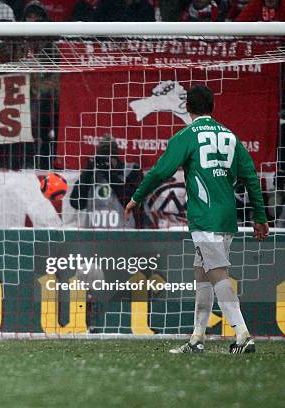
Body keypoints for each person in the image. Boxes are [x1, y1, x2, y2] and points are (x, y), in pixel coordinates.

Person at [124, 85, 269, 354]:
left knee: (216, 273)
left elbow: (161, 171)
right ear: (212, 107)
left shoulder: (186, 136)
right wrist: (260, 216)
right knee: (202, 274)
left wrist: (137, 196)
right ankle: (196, 338)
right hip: (226, 218)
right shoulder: (230, 136)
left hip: (205, 217)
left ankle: (242, 334)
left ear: (187, 108)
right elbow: (250, 176)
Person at [70, 136, 145, 229]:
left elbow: (133, 202)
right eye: (102, 158)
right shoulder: (91, 175)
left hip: (124, 237)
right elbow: (76, 203)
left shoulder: (131, 170)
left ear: (116, 157)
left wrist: (109, 175)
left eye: (108, 158)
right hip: (93, 237)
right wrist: (88, 171)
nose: (105, 162)